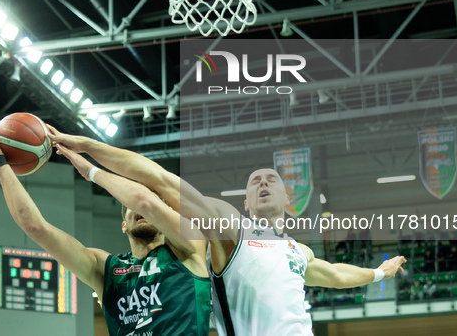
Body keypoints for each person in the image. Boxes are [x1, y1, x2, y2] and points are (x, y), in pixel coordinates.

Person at [46, 126, 407, 336]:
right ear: (246, 202)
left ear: (288, 197)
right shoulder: (232, 228)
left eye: (272, 180)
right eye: (255, 182)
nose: (264, 183)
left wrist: (379, 272)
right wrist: (84, 148)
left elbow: (335, 274)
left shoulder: (297, 250)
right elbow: (159, 180)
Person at [0, 125, 211, 336]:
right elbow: (34, 227)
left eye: (154, 203)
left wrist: (90, 170)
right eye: (128, 207)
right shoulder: (104, 269)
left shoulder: (190, 247)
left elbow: (145, 201)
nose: (140, 207)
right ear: (123, 225)